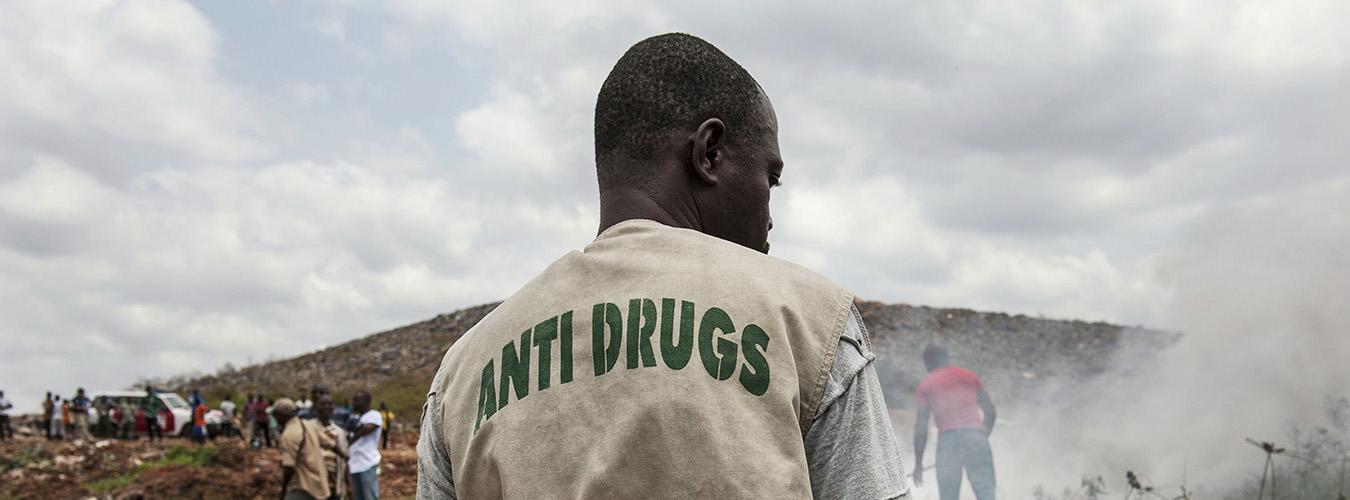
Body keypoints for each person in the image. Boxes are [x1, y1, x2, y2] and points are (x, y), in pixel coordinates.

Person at [417, 33, 908, 499]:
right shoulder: (809, 322)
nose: (770, 218)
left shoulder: (461, 376)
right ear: (709, 153)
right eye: (770, 178)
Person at [912, 345, 998, 500]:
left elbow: (921, 428)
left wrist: (918, 464)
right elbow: (990, 411)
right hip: (976, 437)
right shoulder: (969, 376)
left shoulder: (926, 385)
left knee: (949, 496)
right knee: (986, 492)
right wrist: (982, 436)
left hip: (948, 443)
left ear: (929, 361)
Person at [276, 398, 336, 500]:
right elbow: (330, 444)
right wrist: (345, 455)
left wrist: (283, 489)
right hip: (320, 481)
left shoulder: (288, 435)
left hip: (304, 486)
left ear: (281, 416)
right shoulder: (308, 424)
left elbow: (289, 467)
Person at [348, 391, 382, 500]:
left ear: (367, 401)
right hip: (353, 465)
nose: (354, 403)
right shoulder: (354, 418)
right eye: (354, 400)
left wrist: (348, 443)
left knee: (370, 496)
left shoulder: (374, 415)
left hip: (367, 463)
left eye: (358, 400)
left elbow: (366, 429)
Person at [317, 394, 350, 500]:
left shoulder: (339, 432)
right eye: (323, 404)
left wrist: (348, 484)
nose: (326, 406)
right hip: (314, 483)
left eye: (329, 404)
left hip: (334, 482)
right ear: (316, 407)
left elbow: (344, 460)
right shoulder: (309, 428)